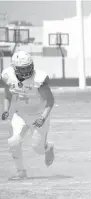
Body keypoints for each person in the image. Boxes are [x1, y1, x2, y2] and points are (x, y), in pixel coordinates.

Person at [1, 51, 55, 180]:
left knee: (38, 149)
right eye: (22, 68)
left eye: (27, 66)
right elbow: (8, 96)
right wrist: (6, 110)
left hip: (38, 115)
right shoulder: (7, 75)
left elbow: (50, 101)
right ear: (14, 67)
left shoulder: (39, 78)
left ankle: (48, 148)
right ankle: (21, 171)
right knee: (13, 141)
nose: (25, 70)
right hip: (19, 114)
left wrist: (42, 117)